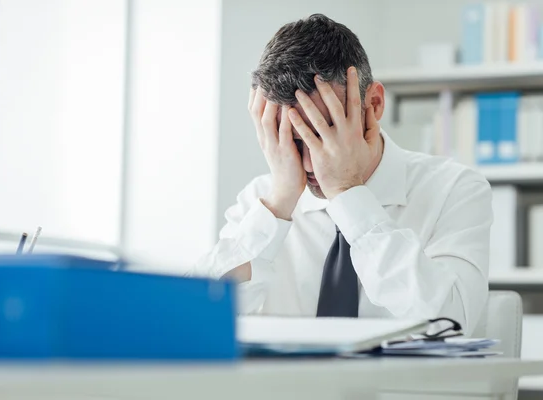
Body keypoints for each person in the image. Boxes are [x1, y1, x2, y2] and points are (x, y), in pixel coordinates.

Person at [188, 14, 492, 335]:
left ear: (372, 104)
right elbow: (188, 325)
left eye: (321, 134)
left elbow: (451, 325)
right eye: (292, 139)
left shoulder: (454, 188)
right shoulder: (261, 200)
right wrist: (278, 205)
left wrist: (348, 194)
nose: (308, 164)